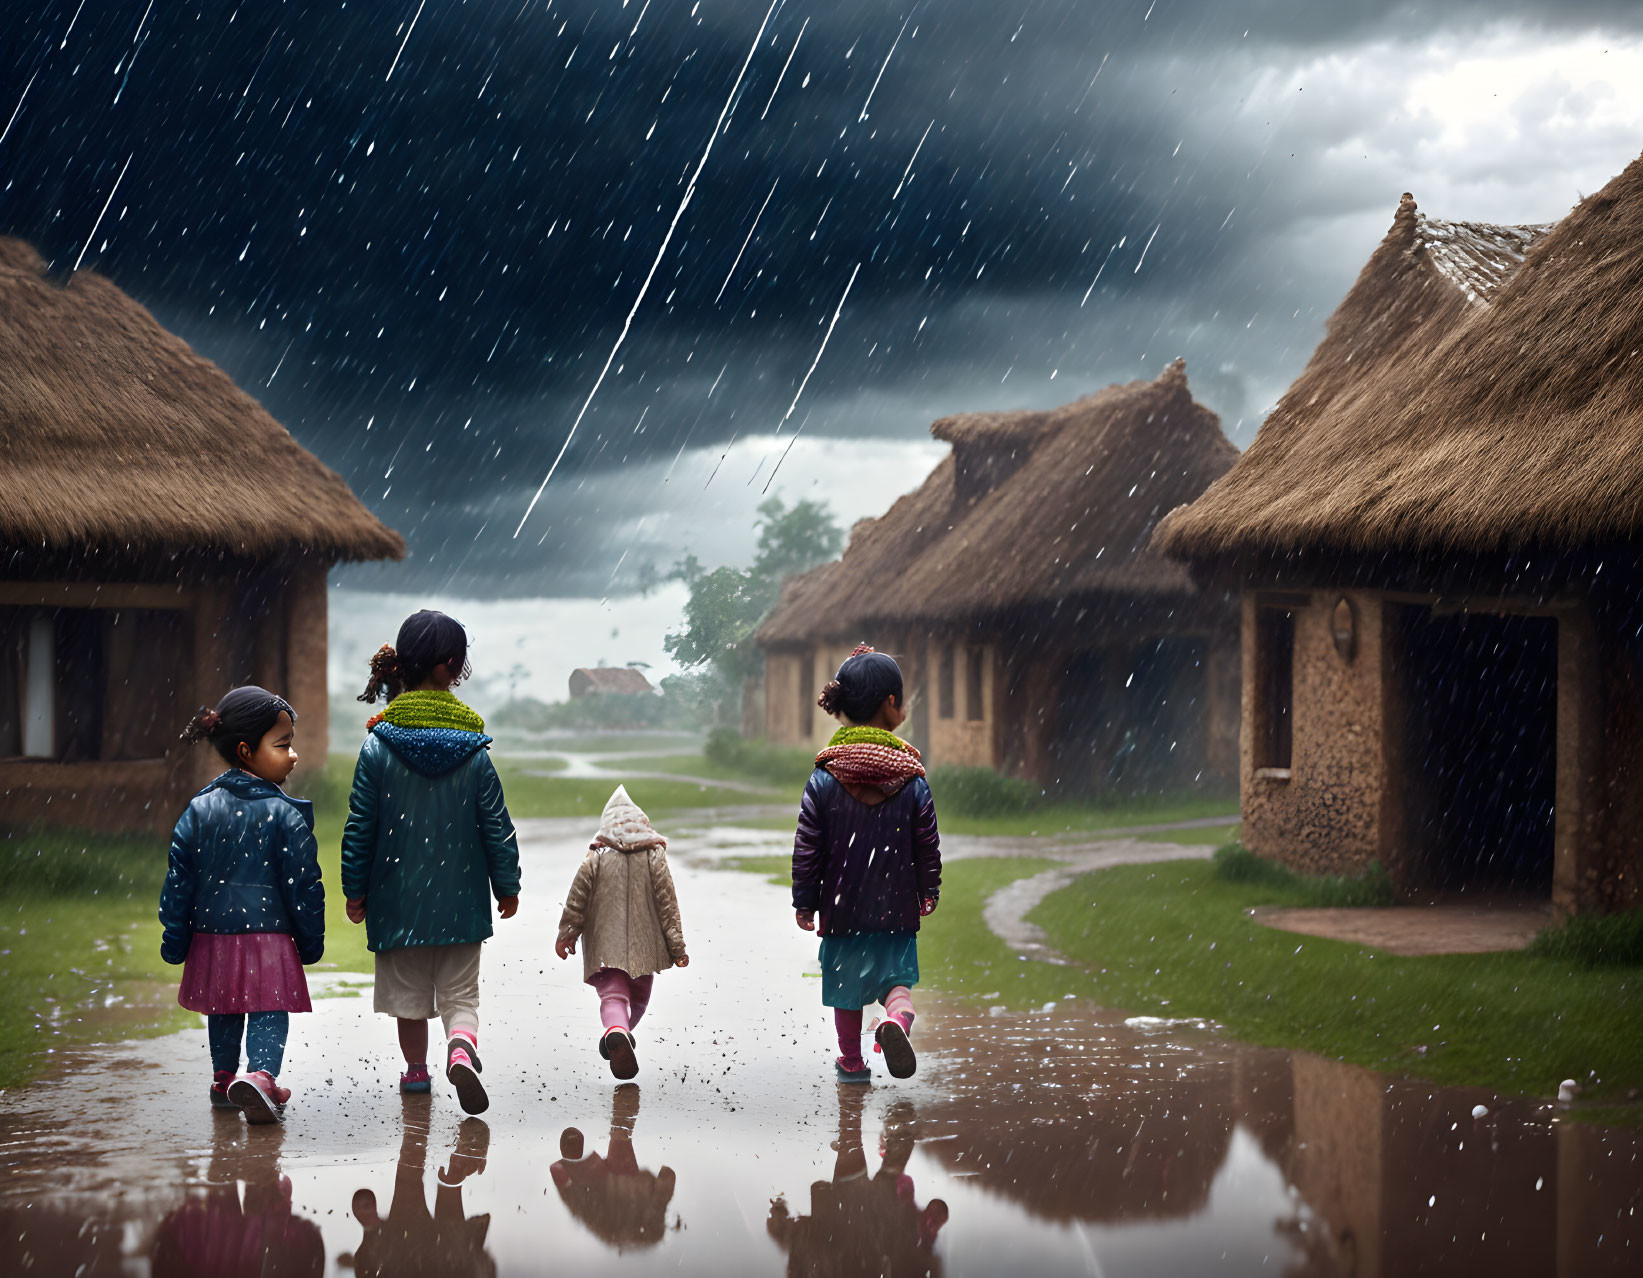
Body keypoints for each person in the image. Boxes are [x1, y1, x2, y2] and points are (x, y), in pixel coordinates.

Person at [341, 610, 521, 1115]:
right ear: (449, 668)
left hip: (397, 903)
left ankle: (416, 1073)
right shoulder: (476, 752)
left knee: (408, 998)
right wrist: (507, 885)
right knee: (461, 993)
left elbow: (360, 825)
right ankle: (461, 1047)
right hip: (462, 901)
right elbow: (497, 826)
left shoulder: (377, 747)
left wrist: (355, 888)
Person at [161, 687, 323, 1124]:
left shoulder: (197, 811)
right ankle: (263, 1076)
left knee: (225, 1006)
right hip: (269, 937)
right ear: (247, 750)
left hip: (213, 935)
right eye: (284, 744)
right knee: (269, 1007)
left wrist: (176, 938)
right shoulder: (283, 814)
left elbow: (179, 882)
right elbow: (304, 885)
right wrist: (309, 940)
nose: (293, 756)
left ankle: (223, 1077)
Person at [791, 645, 941, 1082]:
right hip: (895, 907)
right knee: (897, 981)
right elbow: (927, 844)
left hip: (844, 906)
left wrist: (806, 899)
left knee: (846, 989)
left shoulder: (823, 778)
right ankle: (896, 1020)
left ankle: (852, 1063)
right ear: (890, 704)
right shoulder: (912, 780)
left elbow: (808, 847)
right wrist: (928, 889)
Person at [555, 786, 687, 1079]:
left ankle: (616, 1030)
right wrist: (677, 947)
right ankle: (622, 1033)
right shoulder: (654, 855)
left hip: (605, 948)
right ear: (643, 824)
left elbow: (577, 898)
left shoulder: (597, 856)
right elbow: (668, 903)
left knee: (613, 996)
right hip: (644, 948)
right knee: (638, 999)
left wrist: (567, 933)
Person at [347, 1101, 496, 1278]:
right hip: (448, 1264)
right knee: (451, 1243)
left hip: (402, 1254)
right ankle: (460, 1164)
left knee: (409, 1184)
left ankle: (417, 1127)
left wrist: (371, 1234)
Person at [549, 1085, 679, 1252]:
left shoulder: (651, 1207)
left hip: (610, 1192)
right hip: (604, 1192)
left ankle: (625, 1100)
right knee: (619, 1137)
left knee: (620, 1133)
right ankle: (577, 1160)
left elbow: (668, 1174)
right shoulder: (609, 1223)